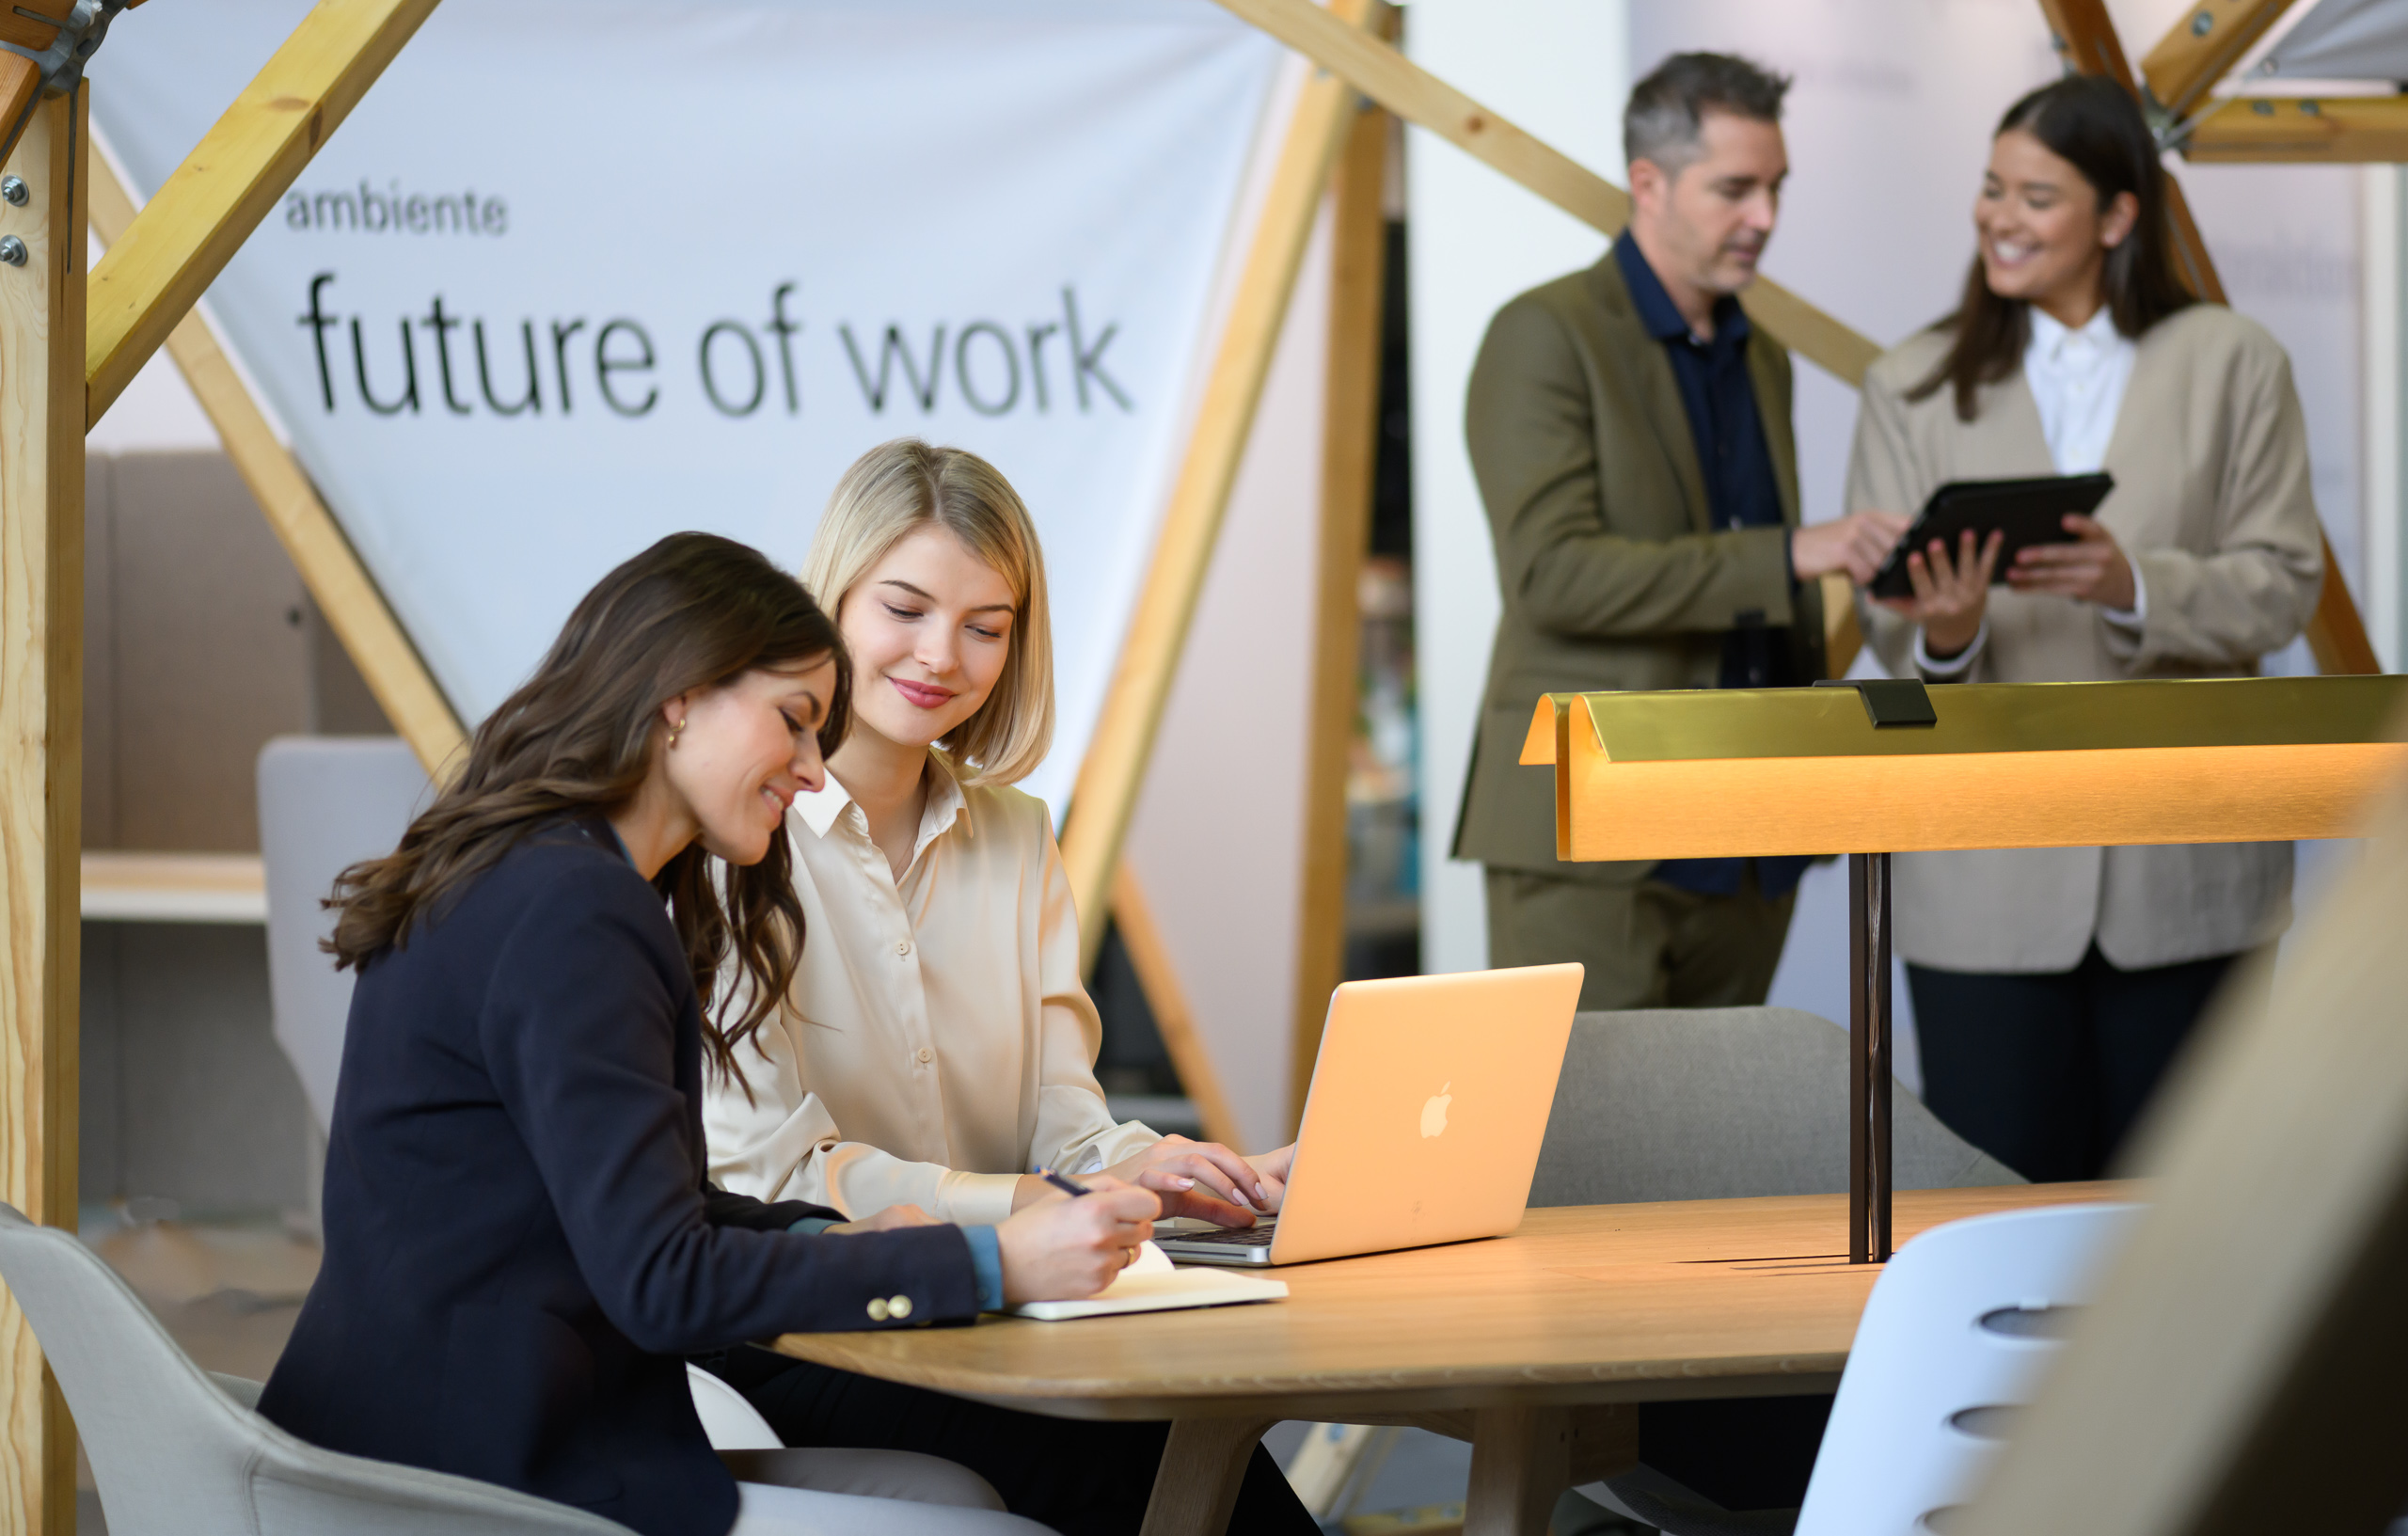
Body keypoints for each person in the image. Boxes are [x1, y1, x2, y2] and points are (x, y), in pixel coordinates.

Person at [259, 532, 1157, 1536]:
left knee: (973, 1491)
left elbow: (653, 1213)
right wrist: (992, 1265)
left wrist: (846, 1234)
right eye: (795, 722)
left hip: (435, 1439)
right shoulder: (575, 910)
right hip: (481, 1480)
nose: (815, 772)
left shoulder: (540, 874)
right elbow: (662, 1278)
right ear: (678, 696)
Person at [698, 439, 1316, 1535]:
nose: (943, 654)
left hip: (998, 1307)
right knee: (1139, 1453)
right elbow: (773, 1172)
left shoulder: (1020, 836)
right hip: (809, 1324)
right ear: (828, 601)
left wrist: (1163, 1171)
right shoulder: (735, 836)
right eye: (905, 608)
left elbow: (1063, 1123)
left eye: (987, 626)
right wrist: (1025, 1209)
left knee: (1196, 1425)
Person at [1851, 74, 2322, 1182]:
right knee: (1996, 1221)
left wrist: (2135, 587)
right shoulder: (1908, 383)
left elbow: (2284, 580)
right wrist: (1949, 636)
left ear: (2117, 217)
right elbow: (1885, 634)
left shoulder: (2232, 362)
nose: (1998, 219)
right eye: (1988, 190)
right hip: (1982, 885)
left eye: (2035, 196)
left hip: (2189, 872)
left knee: (2184, 1224)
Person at [1452, 52, 1909, 1014]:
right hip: (1591, 837)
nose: (1765, 218)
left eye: (1776, 188)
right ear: (1647, 184)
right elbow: (1552, 575)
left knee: (1723, 1155)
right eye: (1735, 189)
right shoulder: (1542, 333)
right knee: (1586, 1155)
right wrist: (1790, 553)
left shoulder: (1762, 357)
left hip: (1749, 840)